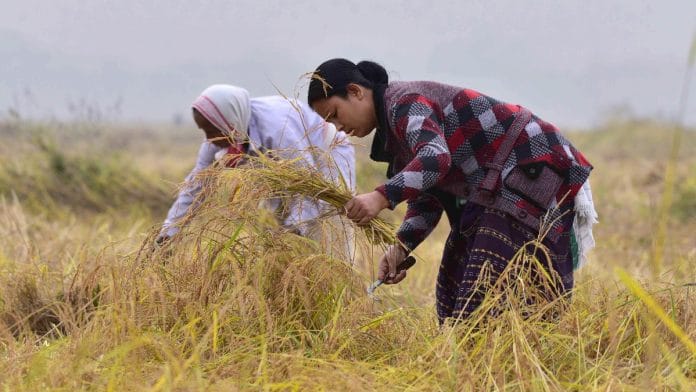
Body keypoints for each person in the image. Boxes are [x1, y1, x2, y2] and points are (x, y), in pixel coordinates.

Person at [307, 59, 596, 322]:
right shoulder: (393, 133)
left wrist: (380, 196)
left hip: (532, 164)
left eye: (335, 114)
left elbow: (435, 158)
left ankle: (505, 364)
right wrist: (401, 247)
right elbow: (427, 192)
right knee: (455, 289)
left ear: (356, 92)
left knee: (484, 293)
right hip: (495, 185)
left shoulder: (404, 102)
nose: (338, 128)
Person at [158, 84, 356, 261]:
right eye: (205, 131)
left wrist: (295, 230)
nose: (209, 139)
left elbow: (309, 184)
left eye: (211, 131)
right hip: (287, 172)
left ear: (230, 121)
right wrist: (169, 233)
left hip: (326, 154)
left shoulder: (277, 129)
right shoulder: (221, 131)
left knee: (329, 226)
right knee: (273, 229)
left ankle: (346, 289)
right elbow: (196, 185)